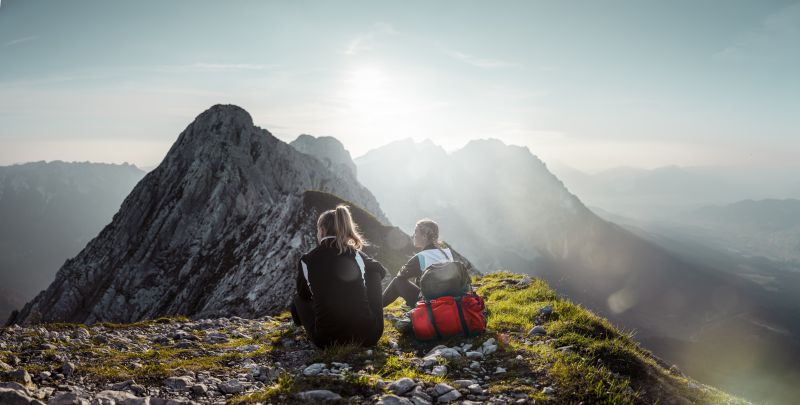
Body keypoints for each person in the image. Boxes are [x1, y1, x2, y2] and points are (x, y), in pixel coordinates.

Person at [290, 204, 387, 348]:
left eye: (317, 230)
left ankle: (297, 322)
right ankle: (367, 318)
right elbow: (381, 271)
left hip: (328, 341)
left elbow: (304, 295)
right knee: (373, 273)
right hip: (368, 336)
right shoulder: (355, 254)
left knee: (298, 298)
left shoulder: (307, 260)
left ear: (322, 230)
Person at [382, 218, 453, 308]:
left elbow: (401, 275)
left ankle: (374, 309)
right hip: (450, 301)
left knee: (398, 281)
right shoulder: (446, 253)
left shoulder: (421, 257)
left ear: (424, 236)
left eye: (416, 232)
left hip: (432, 305)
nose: (413, 235)